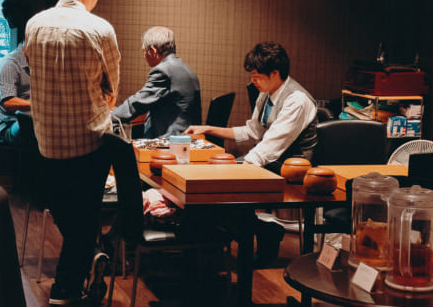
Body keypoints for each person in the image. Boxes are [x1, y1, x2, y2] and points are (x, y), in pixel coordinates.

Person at [24, 0, 120, 307]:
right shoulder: (99, 28)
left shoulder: (34, 25)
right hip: (90, 137)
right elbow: (112, 87)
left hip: (47, 138)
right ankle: (65, 288)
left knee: (68, 213)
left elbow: (33, 71)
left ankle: (86, 263)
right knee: (86, 216)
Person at [185, 41, 318, 266]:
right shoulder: (266, 94)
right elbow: (252, 131)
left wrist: (235, 170)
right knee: (212, 184)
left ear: (275, 73)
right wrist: (207, 129)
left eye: (256, 76)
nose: (252, 81)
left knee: (218, 187)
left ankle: (255, 234)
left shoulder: (297, 100)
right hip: (272, 161)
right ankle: (262, 231)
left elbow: (271, 147)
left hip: (291, 169)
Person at [112, 26, 202, 138]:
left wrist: (109, 118)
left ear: (153, 51)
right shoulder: (186, 68)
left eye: (144, 50)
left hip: (171, 141)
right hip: (189, 138)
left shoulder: (163, 71)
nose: (144, 55)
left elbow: (137, 103)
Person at [0, 0, 32, 145]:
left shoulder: (43, 65)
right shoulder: (10, 64)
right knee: (31, 124)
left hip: (38, 120)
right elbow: (9, 103)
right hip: (13, 125)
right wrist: (42, 105)